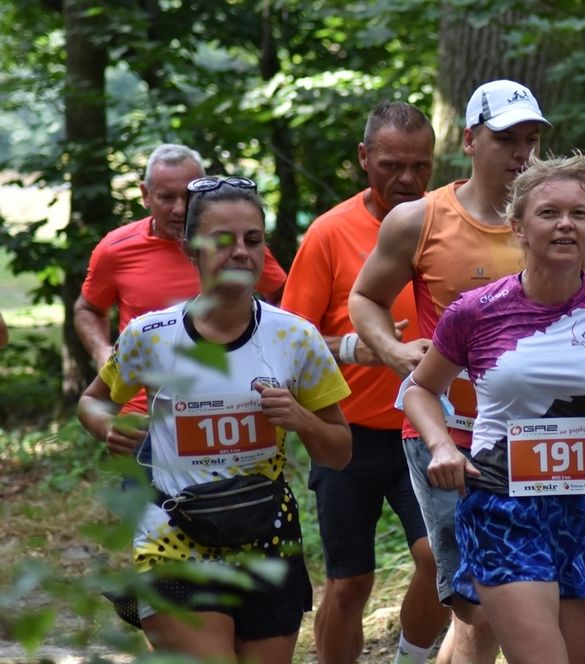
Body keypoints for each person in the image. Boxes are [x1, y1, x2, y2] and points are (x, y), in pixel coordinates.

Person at [348, 80, 585, 664]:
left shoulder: (567, 221)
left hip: (548, 440)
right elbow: (364, 298)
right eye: (506, 139)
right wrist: (394, 354)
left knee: (508, 605)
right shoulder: (420, 218)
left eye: (532, 138)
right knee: (481, 604)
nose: (522, 152)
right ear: (469, 140)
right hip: (451, 435)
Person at [400, 153, 585, 664]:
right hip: (503, 506)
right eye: (549, 213)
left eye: (580, 213)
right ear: (518, 226)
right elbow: (417, 388)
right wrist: (440, 447)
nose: (566, 224)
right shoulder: (475, 311)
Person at [77, 175, 352, 663]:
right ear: (192, 250)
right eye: (222, 241)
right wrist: (106, 426)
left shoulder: (296, 338)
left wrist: (301, 420)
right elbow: (92, 401)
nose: (240, 252)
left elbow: (339, 449)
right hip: (173, 536)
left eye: (253, 239)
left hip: (267, 536)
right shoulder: (150, 336)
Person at [280, 102, 449, 664]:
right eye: (391, 164)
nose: (407, 178)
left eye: (420, 166)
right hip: (346, 435)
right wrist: (362, 347)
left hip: (422, 431)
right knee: (349, 585)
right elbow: (287, 344)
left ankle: (411, 657)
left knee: (438, 559)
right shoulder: (330, 233)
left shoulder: (446, 226)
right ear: (363, 159)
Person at [74, 144, 287, 447]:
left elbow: (285, 298)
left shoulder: (237, 246)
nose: (178, 208)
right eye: (165, 197)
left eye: (187, 197)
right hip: (146, 416)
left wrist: (275, 361)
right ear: (145, 194)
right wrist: (101, 350)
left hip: (232, 411)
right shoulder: (116, 249)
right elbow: (88, 308)